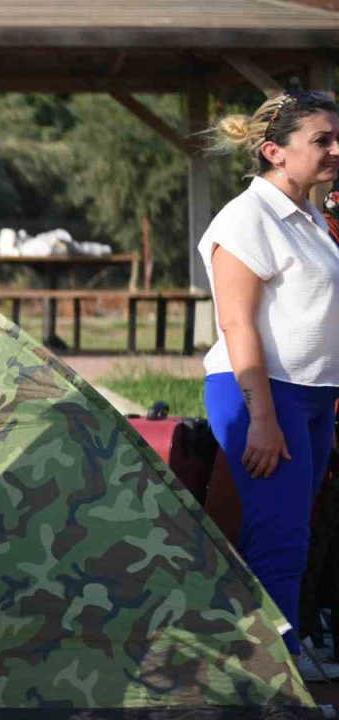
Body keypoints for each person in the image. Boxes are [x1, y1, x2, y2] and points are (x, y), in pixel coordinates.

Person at [200, 89, 339, 673]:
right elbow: (236, 324)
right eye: (322, 140)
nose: (337, 149)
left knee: (292, 534)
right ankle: (275, 672)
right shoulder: (246, 218)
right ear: (273, 151)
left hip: (314, 397)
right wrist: (261, 416)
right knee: (280, 536)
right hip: (262, 393)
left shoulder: (311, 217)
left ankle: (272, 658)